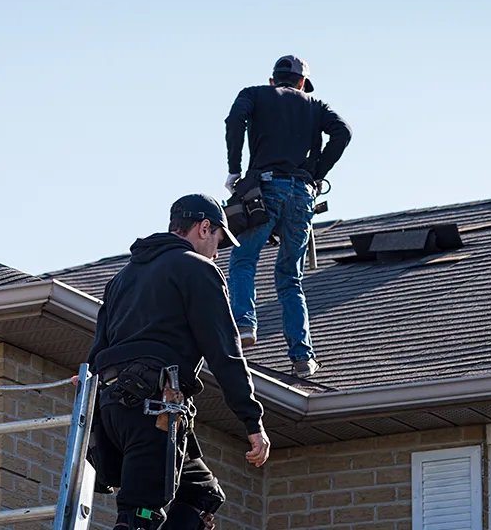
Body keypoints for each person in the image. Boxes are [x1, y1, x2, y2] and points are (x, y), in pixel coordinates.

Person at [83, 193, 271, 530]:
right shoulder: (198, 270)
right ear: (203, 227)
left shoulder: (120, 279)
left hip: (112, 409)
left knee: (201, 493)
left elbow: (97, 353)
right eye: (217, 240)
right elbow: (225, 354)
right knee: (140, 514)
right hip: (153, 408)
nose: (217, 252)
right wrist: (252, 422)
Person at [224, 55, 352, 378]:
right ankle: (302, 357)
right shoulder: (315, 105)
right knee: (290, 277)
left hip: (266, 189)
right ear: (300, 83)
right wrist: (316, 172)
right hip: (302, 195)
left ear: (273, 80)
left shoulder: (255, 94)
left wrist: (235, 169)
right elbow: (343, 132)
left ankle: (243, 325)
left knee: (243, 259)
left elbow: (234, 119)